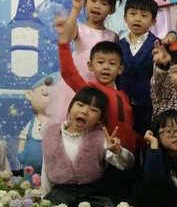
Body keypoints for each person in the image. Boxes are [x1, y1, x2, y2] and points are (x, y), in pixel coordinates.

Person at [40, 87, 135, 207]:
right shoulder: (51, 133)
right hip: (59, 197)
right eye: (80, 105)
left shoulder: (100, 138)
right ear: (70, 107)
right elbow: (46, 170)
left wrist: (118, 152)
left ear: (100, 119)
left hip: (93, 198)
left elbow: (127, 164)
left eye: (93, 110)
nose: (84, 111)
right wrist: (43, 199)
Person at [56, 14, 138, 156]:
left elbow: (128, 128)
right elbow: (68, 73)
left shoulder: (123, 96)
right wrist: (63, 43)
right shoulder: (91, 91)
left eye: (112, 63)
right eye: (100, 62)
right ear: (90, 66)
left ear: (120, 69)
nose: (106, 67)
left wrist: (141, 142)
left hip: (129, 157)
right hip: (104, 156)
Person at [46, 0, 121, 125]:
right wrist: (76, 9)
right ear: (86, 3)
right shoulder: (79, 29)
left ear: (111, 10)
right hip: (77, 83)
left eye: (104, 3)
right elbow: (66, 36)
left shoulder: (113, 36)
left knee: (99, 122)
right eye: (93, 0)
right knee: (72, 121)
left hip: (102, 87)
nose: (97, 6)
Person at [116, 0, 160, 138]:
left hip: (149, 105)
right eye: (133, 14)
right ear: (125, 18)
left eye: (144, 15)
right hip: (123, 104)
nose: (137, 19)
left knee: (147, 140)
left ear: (153, 21)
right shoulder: (118, 45)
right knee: (125, 140)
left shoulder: (159, 45)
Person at [18, 73, 58, 173]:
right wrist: (21, 153)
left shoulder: (58, 123)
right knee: (28, 182)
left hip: (52, 172)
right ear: (30, 95)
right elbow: (23, 137)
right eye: (45, 94)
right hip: (29, 170)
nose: (50, 99)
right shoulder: (31, 124)